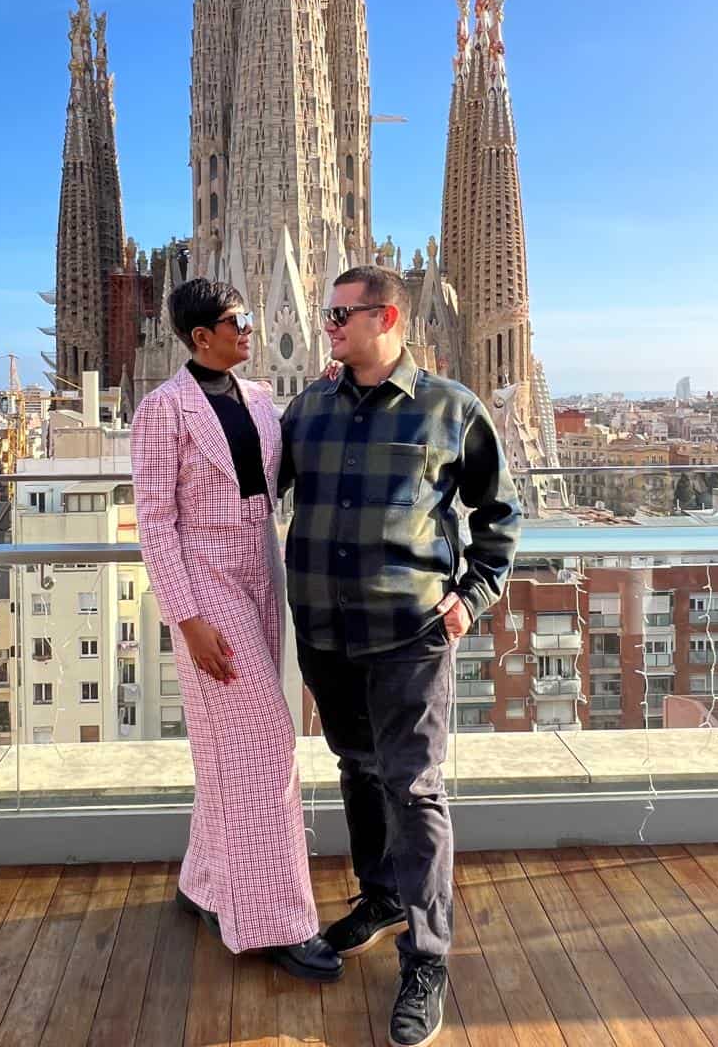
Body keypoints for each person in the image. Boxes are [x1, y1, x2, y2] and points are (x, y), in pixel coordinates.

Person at [280, 265, 522, 1047]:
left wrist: (471, 596)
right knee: (355, 766)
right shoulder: (309, 406)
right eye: (324, 315)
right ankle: (380, 897)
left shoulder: (451, 408)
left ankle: (427, 958)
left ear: (385, 317)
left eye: (338, 314)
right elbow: (249, 484)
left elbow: (500, 513)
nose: (327, 326)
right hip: (324, 628)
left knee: (414, 787)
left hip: (408, 632)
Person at [130, 278, 341, 983]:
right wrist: (185, 618)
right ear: (200, 338)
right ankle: (274, 922)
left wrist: (326, 386)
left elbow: (270, 480)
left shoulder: (255, 400)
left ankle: (203, 882)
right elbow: (156, 522)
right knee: (266, 741)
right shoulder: (164, 410)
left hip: (260, 572)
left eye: (249, 317)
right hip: (207, 585)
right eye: (236, 321)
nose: (249, 329)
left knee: (232, 745)